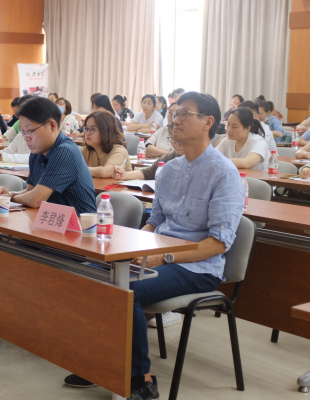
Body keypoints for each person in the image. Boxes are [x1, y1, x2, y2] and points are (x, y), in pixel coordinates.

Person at [64, 92, 245, 400]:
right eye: (175, 114)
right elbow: (155, 222)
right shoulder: (168, 170)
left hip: (197, 266)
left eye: (184, 114)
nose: (175, 120)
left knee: (126, 289)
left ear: (208, 122)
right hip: (158, 255)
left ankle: (141, 379)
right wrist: (135, 247)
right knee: (90, 273)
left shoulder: (224, 173)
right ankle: (103, 359)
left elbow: (218, 243)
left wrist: (166, 256)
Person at [0, 97, 97, 215]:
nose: (26, 137)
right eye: (22, 131)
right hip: (51, 220)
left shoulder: (65, 151)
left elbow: (35, 200)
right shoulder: (37, 152)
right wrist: (8, 195)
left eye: (30, 130)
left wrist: (10, 198)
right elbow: (30, 190)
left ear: (52, 126)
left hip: (79, 224)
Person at [81, 111, 131, 178]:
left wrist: (80, 169)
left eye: (93, 129)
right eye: (86, 129)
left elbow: (105, 172)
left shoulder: (119, 151)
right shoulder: (85, 151)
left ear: (106, 131)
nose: (88, 133)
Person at [114, 141, 185, 181]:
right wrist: (125, 175)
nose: (173, 144)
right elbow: (149, 173)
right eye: (172, 140)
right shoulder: (175, 154)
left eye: (179, 140)